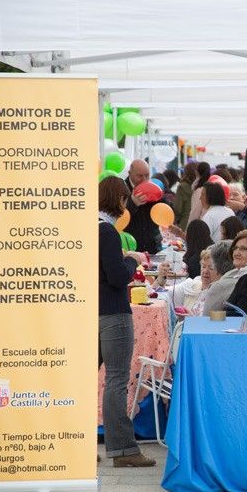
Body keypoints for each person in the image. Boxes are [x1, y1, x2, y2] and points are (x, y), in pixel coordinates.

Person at [98, 176, 156, 468]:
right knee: (117, 380)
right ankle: (122, 449)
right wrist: (132, 260)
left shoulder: (87, 228)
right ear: (120, 200)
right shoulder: (107, 231)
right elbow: (118, 277)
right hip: (113, 312)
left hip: (91, 312)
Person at [122, 159, 162, 254]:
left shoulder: (153, 186)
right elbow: (119, 216)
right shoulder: (122, 188)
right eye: (139, 176)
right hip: (131, 247)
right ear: (130, 173)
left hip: (153, 246)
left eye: (147, 175)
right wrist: (133, 202)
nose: (144, 179)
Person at [187, 162, 211, 227]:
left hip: (200, 224)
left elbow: (195, 210)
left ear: (197, 172)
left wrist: (189, 228)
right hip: (207, 222)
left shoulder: (200, 190)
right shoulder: (210, 187)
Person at [173, 162, 197, 228]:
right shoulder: (203, 187)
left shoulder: (182, 187)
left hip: (185, 223)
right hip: (201, 223)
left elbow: (177, 208)